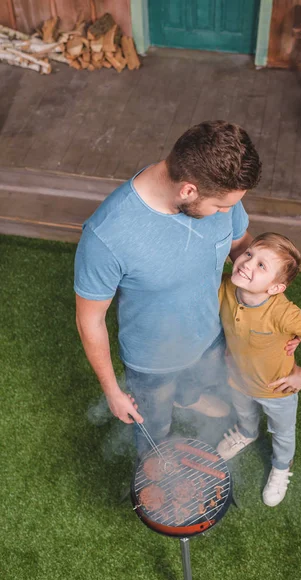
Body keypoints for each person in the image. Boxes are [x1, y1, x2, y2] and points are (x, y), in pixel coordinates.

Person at [74, 120, 271, 457]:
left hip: (211, 333)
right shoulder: (107, 235)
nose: (228, 211)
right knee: (154, 428)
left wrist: (269, 306)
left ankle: (189, 398)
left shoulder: (222, 193)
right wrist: (112, 391)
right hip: (153, 362)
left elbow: (241, 246)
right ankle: (156, 453)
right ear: (188, 191)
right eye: (221, 207)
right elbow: (90, 320)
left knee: (204, 378)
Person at [216, 232, 301, 507]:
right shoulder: (225, 286)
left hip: (276, 390)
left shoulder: (284, 314)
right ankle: (246, 433)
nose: (247, 263)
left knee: (283, 433)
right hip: (237, 379)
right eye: (249, 253)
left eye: (262, 265)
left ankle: (281, 467)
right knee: (244, 413)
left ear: (275, 288)